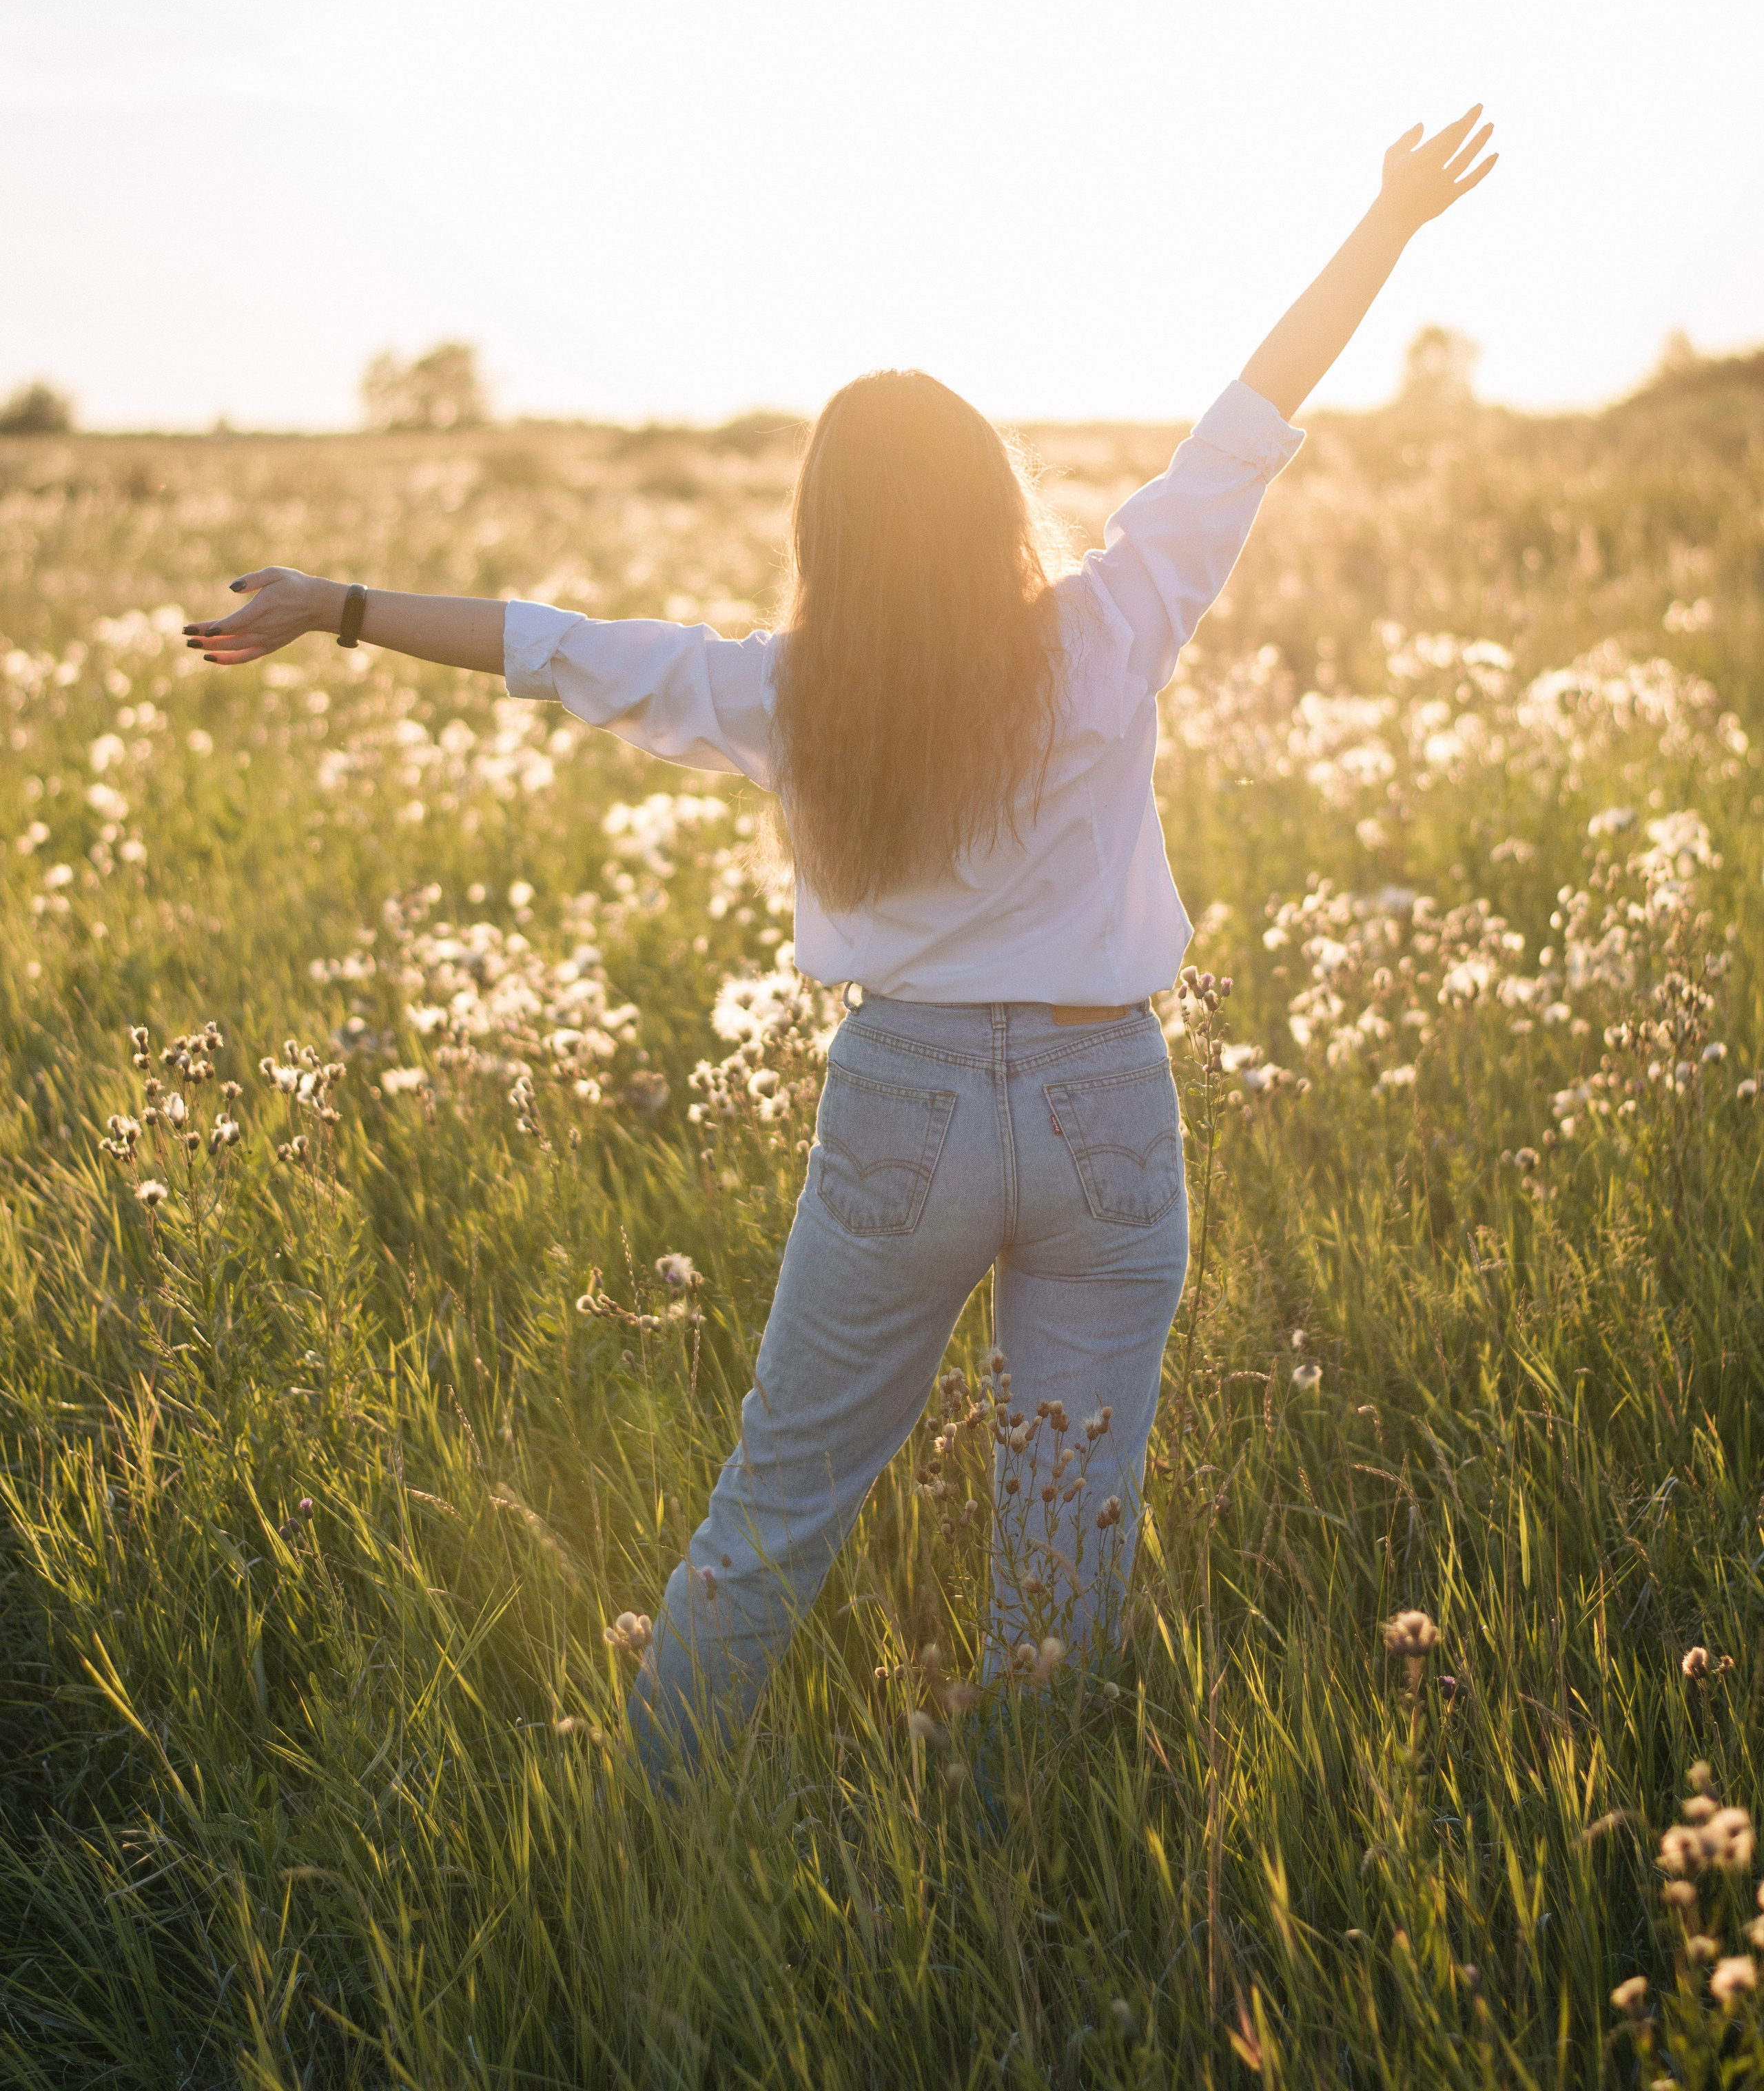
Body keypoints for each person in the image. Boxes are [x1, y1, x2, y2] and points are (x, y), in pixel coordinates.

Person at [188, 109, 1497, 1771]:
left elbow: (561, 648)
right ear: (990, 502)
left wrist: (344, 607)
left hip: (907, 1103)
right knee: (1064, 1555)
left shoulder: (790, 694)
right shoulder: (1112, 622)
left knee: (776, 1507)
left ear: (828, 534)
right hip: (1107, 1105)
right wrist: (1383, 224)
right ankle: (1021, 1872)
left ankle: (646, 1842)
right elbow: (1251, 416)